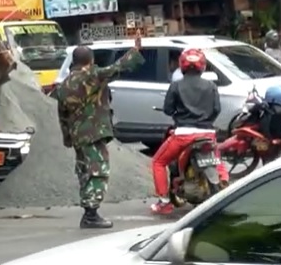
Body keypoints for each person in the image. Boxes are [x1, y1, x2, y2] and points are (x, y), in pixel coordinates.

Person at [56, 31, 145, 229]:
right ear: (90, 60)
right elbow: (118, 67)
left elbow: (61, 115)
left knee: (83, 171)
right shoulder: (92, 75)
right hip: (94, 132)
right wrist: (135, 50)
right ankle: (91, 214)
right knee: (98, 171)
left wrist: (67, 138)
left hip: (78, 135)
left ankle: (89, 211)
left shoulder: (63, 85)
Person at [150, 49, 228, 215]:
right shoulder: (211, 86)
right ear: (202, 66)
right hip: (207, 134)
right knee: (217, 159)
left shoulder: (176, 85)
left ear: (182, 65)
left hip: (183, 135)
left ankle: (164, 202)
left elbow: (168, 109)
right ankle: (225, 185)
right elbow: (216, 109)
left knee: (158, 162)